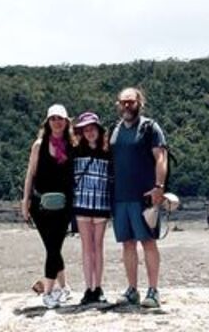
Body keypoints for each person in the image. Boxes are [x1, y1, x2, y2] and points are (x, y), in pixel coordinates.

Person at [110, 86, 168, 309]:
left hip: (144, 197)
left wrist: (159, 187)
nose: (127, 106)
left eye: (131, 102)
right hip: (120, 197)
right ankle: (132, 289)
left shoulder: (150, 128)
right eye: (123, 102)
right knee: (127, 244)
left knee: (148, 242)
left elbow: (161, 157)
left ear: (139, 103)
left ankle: (153, 291)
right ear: (118, 105)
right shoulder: (114, 131)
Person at [21, 104, 75, 308]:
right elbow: (30, 175)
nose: (57, 122)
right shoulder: (39, 145)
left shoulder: (73, 146)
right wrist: (25, 201)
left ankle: (49, 291)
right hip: (40, 204)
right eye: (53, 118)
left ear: (66, 121)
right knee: (52, 247)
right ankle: (64, 287)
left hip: (64, 206)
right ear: (47, 122)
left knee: (54, 247)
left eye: (60, 118)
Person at [71, 111, 112, 305]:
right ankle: (89, 288)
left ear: (98, 130)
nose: (89, 133)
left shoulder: (108, 151)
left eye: (92, 129)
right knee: (87, 248)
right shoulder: (75, 151)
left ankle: (98, 287)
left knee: (98, 247)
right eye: (85, 130)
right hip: (82, 204)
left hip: (101, 204)